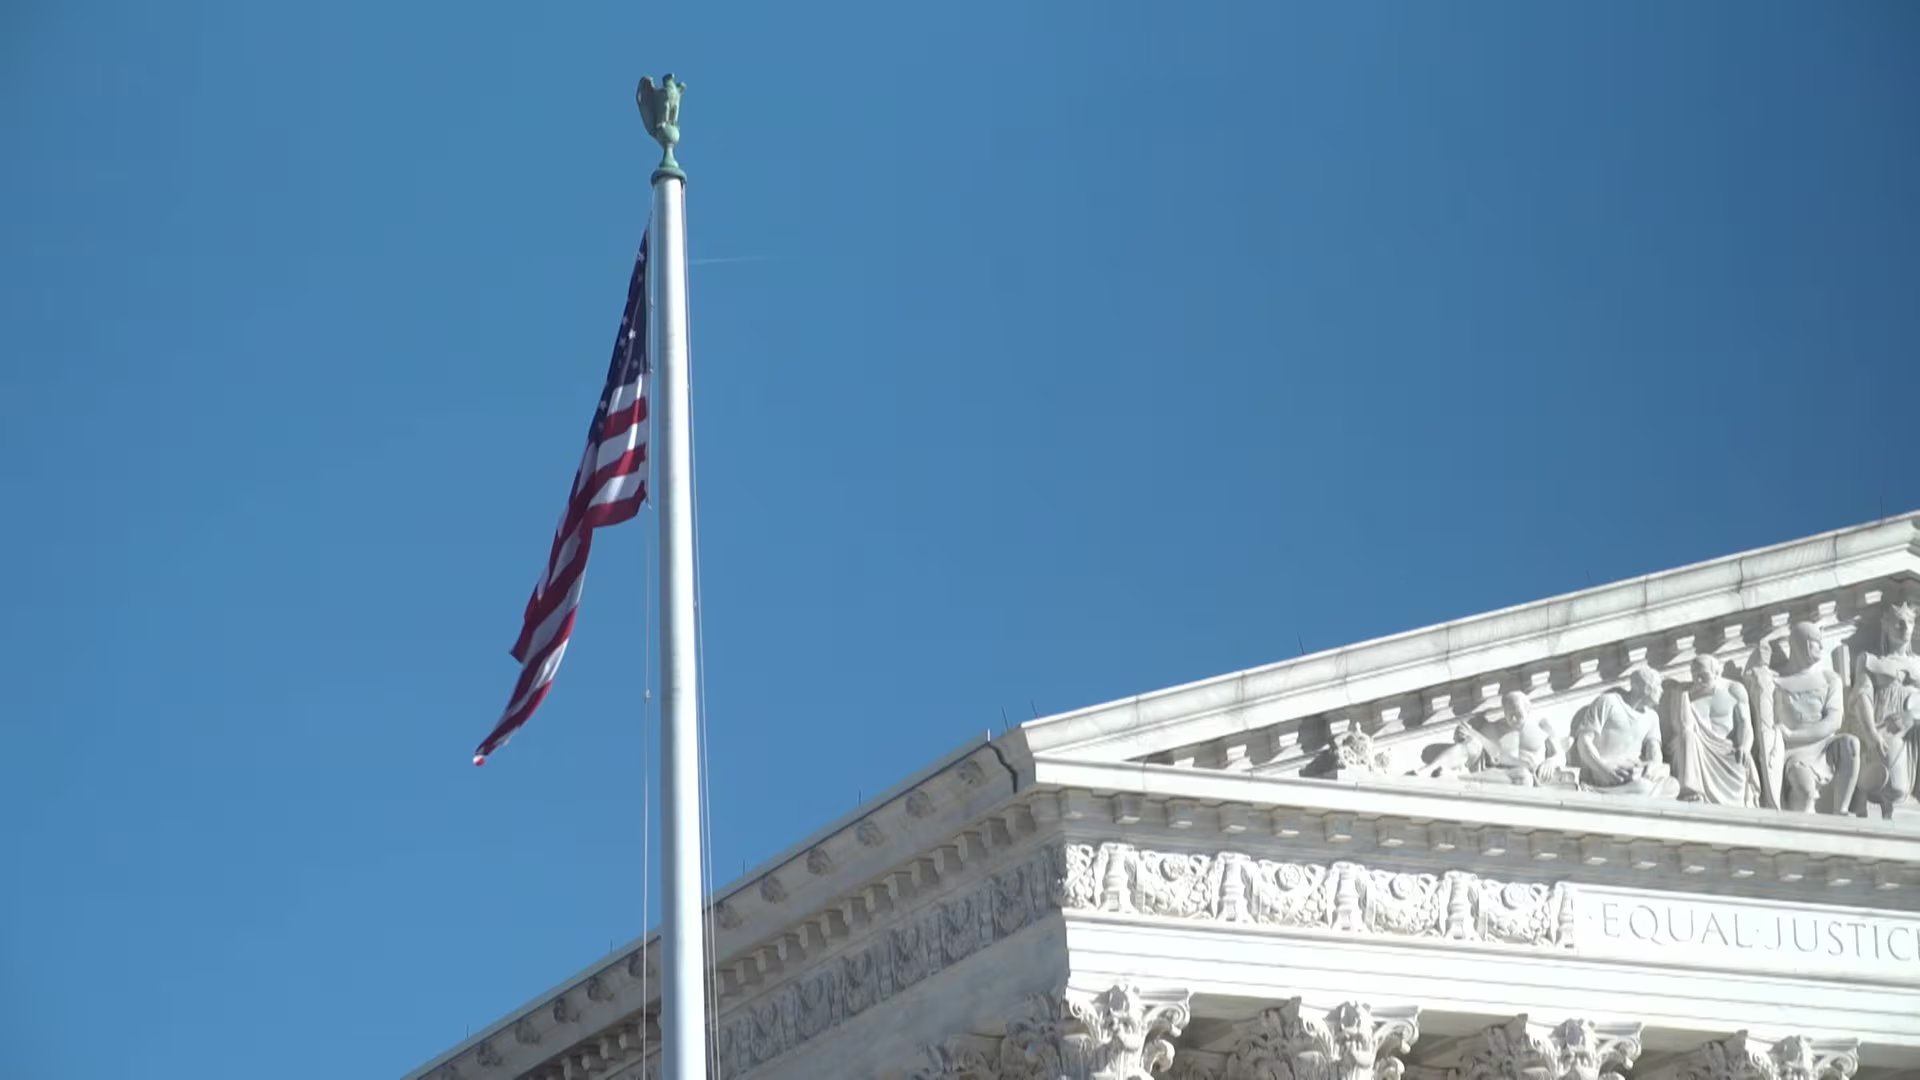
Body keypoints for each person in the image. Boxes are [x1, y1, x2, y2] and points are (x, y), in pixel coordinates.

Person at [1570, 664, 1679, 798]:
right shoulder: (1608, 702)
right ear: (1646, 688)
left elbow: (1654, 751)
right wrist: (1602, 769)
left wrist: (1652, 767)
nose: (1662, 691)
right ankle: (1596, 791)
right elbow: (1584, 741)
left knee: (1673, 785)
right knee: (1643, 787)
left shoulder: (1652, 717)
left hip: (1635, 772)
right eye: (1658, 685)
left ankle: (1633, 791)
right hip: (1607, 770)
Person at [1669, 655, 1755, 806]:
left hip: (1726, 750)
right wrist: (1683, 698)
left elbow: (1745, 724)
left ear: (1717, 673)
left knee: (1740, 762)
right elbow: (1681, 727)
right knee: (1688, 738)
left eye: (1704, 676)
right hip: (1696, 750)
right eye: (1695, 676)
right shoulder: (1685, 695)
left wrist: (1745, 746)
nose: (1698, 680)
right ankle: (1691, 791)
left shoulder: (1734, 690)